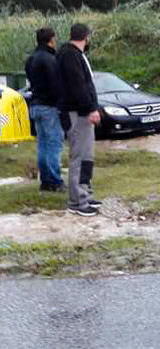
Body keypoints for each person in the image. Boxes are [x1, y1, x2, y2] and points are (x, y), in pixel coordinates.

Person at [57, 24, 102, 217]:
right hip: (77, 113)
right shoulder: (70, 55)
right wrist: (90, 108)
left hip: (79, 111)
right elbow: (78, 85)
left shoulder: (73, 54)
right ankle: (77, 201)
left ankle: (84, 194)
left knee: (87, 157)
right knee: (80, 157)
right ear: (86, 36)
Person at [24, 27, 65, 192]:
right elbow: (55, 84)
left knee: (42, 144)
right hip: (49, 106)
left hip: (35, 104)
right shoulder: (50, 59)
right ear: (52, 39)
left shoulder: (31, 59)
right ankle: (55, 181)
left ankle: (45, 180)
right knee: (54, 143)